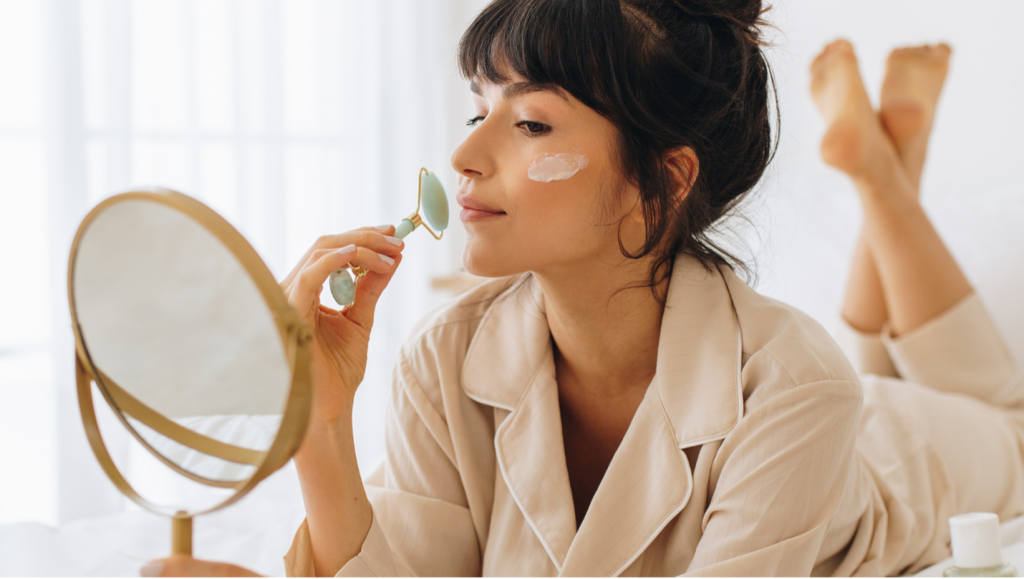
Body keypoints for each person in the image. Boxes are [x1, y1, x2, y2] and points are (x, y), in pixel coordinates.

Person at [140, 2, 1024, 577]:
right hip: (841, 397)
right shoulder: (441, 357)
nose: (464, 157)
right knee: (870, 355)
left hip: (912, 451)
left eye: (529, 123)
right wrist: (321, 423)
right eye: (476, 110)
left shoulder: (796, 386)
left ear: (663, 181)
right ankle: (885, 171)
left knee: (1004, 411)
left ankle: (883, 180)